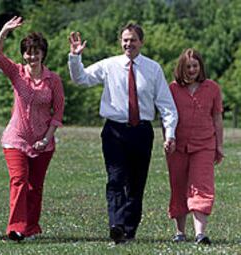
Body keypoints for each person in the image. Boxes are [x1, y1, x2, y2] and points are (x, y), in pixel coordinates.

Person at [68, 23, 178, 244]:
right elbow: (81, 79)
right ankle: (116, 225)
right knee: (116, 179)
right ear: (121, 42)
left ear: (141, 42)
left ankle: (129, 229)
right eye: (125, 40)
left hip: (142, 132)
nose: (129, 44)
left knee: (136, 184)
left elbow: (167, 105)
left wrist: (170, 134)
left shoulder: (153, 69)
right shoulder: (110, 65)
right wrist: (75, 58)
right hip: (114, 132)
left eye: (133, 40)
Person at [0, 16, 64, 241]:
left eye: (36, 52)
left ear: (43, 54)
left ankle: (31, 228)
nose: (32, 56)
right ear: (23, 54)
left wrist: (47, 139)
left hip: (43, 141)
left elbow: (58, 112)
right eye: (28, 52)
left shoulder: (53, 80)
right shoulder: (16, 73)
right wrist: (4, 30)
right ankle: (15, 228)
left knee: (35, 187)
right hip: (16, 138)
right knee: (19, 180)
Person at [166, 48, 223, 245]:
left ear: (201, 67)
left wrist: (219, 145)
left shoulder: (212, 88)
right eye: (188, 66)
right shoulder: (172, 89)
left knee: (202, 185)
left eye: (195, 66)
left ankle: (200, 234)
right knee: (179, 186)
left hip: (205, 144)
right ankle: (180, 233)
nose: (192, 70)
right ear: (181, 67)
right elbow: (167, 117)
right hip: (177, 146)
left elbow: (217, 117)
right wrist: (168, 138)